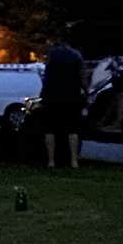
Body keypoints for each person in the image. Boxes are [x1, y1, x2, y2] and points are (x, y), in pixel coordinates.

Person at [39, 37, 85, 168]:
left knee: (50, 129)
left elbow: (46, 76)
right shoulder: (76, 55)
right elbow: (82, 76)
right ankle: (74, 160)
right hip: (72, 94)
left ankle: (51, 160)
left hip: (52, 94)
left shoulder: (52, 55)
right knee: (72, 129)